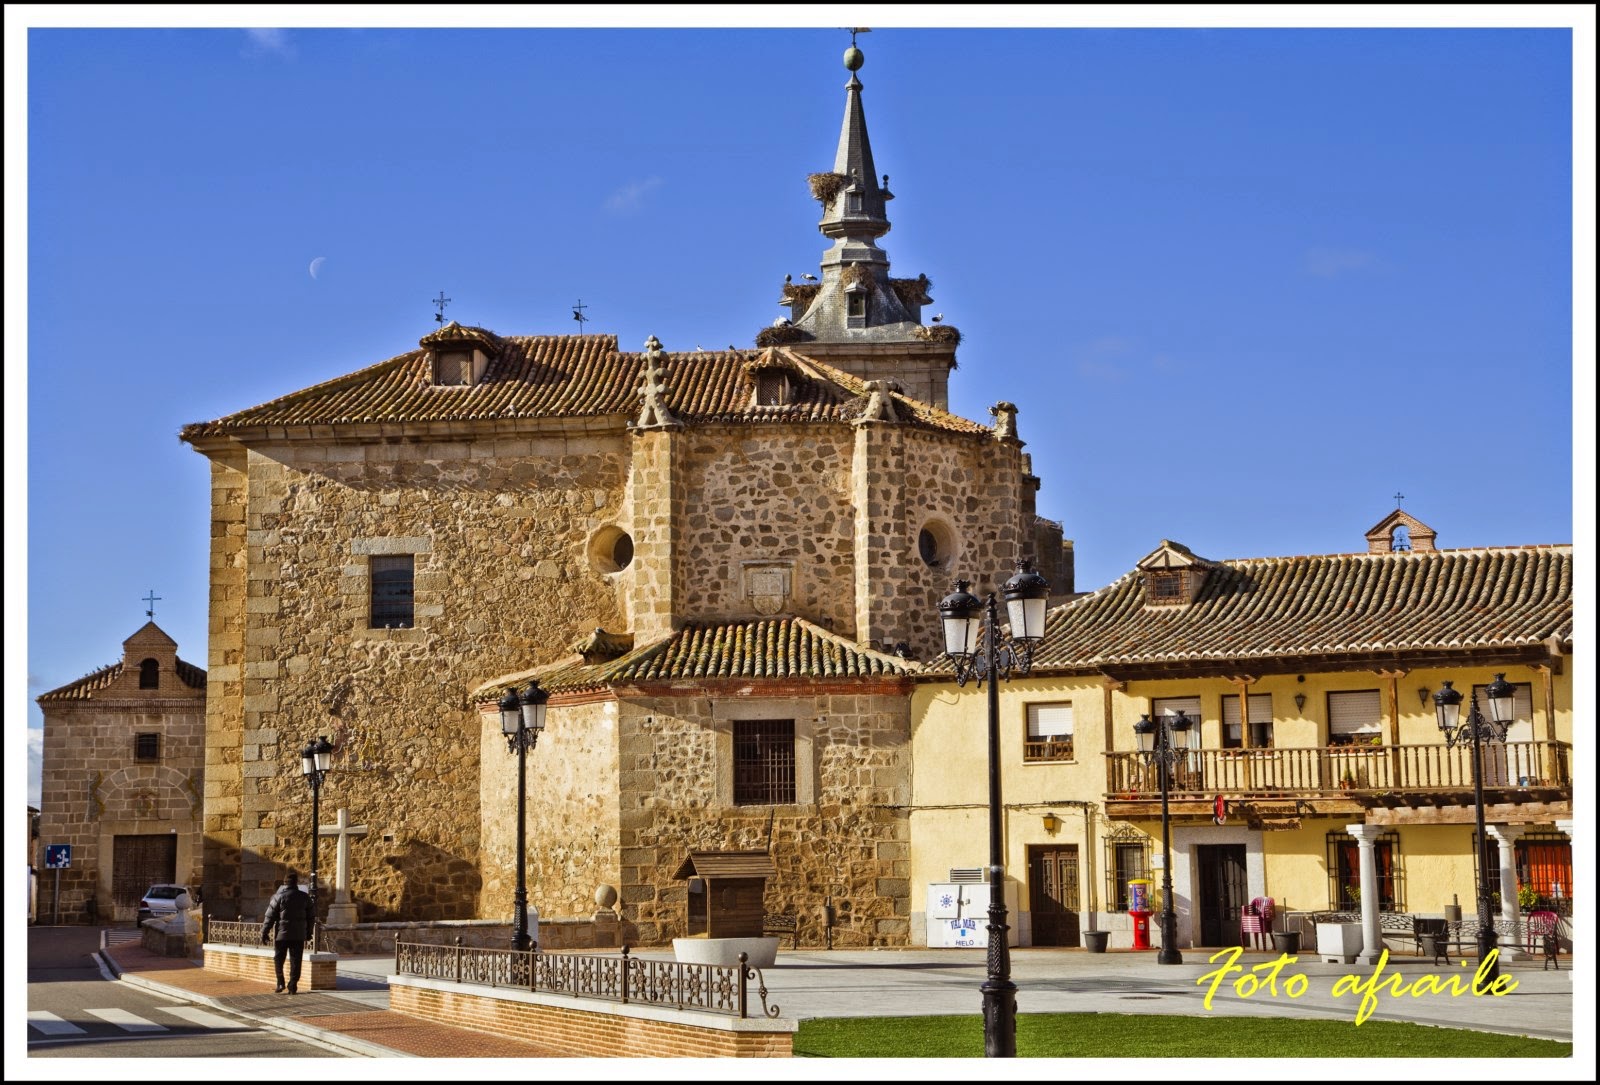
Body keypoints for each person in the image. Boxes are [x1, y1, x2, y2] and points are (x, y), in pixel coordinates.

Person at [261, 871, 313, 994]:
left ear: (285, 883)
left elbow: (269, 916)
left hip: (281, 935)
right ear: (296, 883)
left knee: (278, 959)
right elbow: (311, 917)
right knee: (296, 960)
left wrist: (264, 932)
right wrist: (308, 932)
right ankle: (293, 985)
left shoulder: (278, 897)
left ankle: (280, 982)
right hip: (298, 935)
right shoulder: (305, 897)